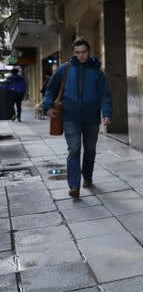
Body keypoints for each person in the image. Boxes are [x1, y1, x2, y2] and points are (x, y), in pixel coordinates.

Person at [42, 38, 112, 198]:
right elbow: (50, 90)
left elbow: (105, 95)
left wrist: (107, 113)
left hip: (91, 118)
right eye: (77, 52)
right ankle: (74, 186)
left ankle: (87, 176)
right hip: (70, 117)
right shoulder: (64, 69)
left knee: (90, 150)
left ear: (89, 52)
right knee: (74, 149)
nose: (80, 55)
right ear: (73, 53)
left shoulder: (97, 73)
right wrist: (48, 106)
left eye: (84, 52)